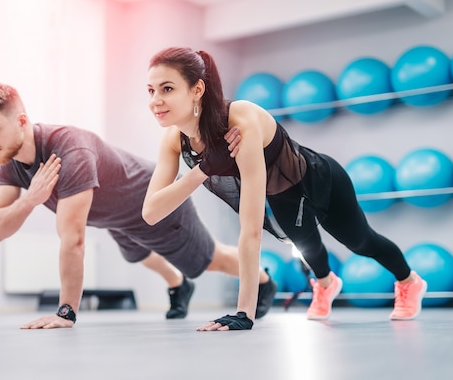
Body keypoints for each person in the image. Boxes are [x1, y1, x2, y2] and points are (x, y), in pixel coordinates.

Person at [142, 47, 428, 331]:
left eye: (167, 89)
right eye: (151, 91)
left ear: (197, 89)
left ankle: (409, 282)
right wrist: (203, 169)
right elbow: (152, 213)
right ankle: (327, 285)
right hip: (282, 195)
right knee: (309, 249)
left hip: (320, 180)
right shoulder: (173, 139)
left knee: (361, 242)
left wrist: (244, 314)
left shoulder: (239, 122)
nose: (156, 101)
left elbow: (251, 229)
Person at [0, 83, 278, 329]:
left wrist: (66, 312)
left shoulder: (69, 150)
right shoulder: (6, 157)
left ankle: (263, 281)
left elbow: (73, 239)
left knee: (208, 259)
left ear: (21, 121)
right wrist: (31, 199)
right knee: (137, 255)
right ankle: (178, 286)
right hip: (114, 216)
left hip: (150, 201)